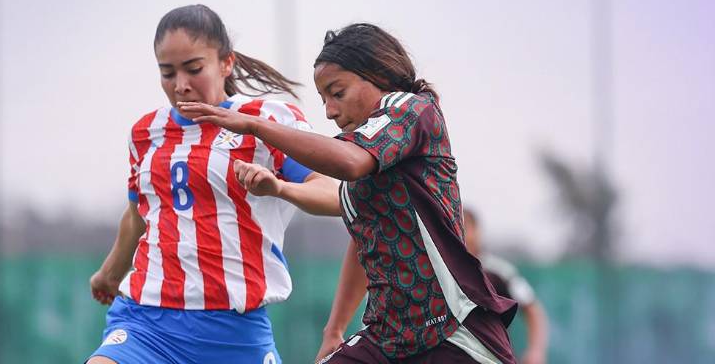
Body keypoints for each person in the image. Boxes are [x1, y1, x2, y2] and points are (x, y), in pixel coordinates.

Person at [180, 23, 519, 363]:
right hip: (389, 337)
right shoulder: (367, 156)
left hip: (452, 331)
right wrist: (334, 330)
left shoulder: (413, 110)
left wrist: (256, 125)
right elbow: (362, 236)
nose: (329, 110)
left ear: (378, 76)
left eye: (337, 93)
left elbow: (349, 162)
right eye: (323, 98)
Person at [86, 4, 338, 364]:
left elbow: (333, 193)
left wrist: (280, 188)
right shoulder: (145, 132)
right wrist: (109, 274)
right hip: (147, 322)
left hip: (233, 331)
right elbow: (138, 214)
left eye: (193, 69)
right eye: (167, 73)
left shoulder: (265, 121)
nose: (180, 85)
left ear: (226, 63)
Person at [463, 207, 549, 364]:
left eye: (465, 227)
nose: (460, 233)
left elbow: (532, 308)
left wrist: (536, 351)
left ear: (477, 231)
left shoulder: (500, 272)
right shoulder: (440, 272)